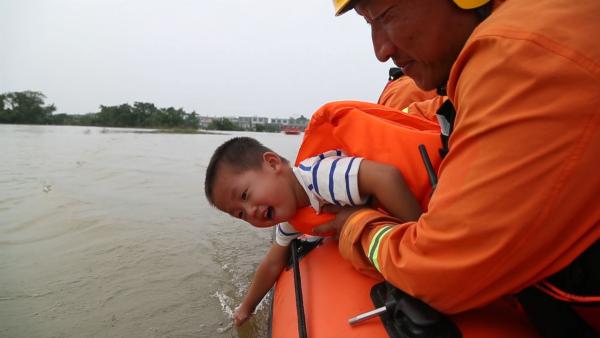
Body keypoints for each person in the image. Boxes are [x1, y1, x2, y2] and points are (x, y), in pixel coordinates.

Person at [319, 0, 600, 335]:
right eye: (369, 24)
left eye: (386, 16)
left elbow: (434, 273)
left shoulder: (517, 54)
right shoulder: (541, 23)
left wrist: (356, 225)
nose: (381, 49)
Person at [203, 135, 424, 326]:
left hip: (423, 202)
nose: (250, 212)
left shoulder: (322, 177)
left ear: (272, 163)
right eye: (240, 214)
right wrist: (245, 309)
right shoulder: (292, 216)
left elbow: (387, 177)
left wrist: (420, 238)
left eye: (244, 196)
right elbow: (272, 263)